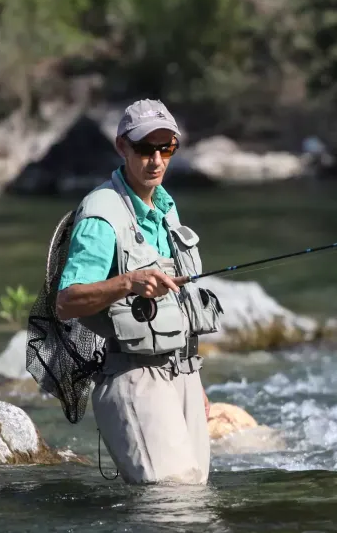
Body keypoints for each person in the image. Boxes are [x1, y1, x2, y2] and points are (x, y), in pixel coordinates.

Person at [54, 99, 223, 485]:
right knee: (171, 501)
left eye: (167, 149)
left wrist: (194, 384)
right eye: (146, 149)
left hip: (183, 376)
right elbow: (66, 301)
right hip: (133, 379)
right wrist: (127, 282)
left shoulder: (166, 209)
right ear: (122, 147)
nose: (156, 160)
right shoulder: (101, 216)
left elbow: (179, 310)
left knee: (193, 500)